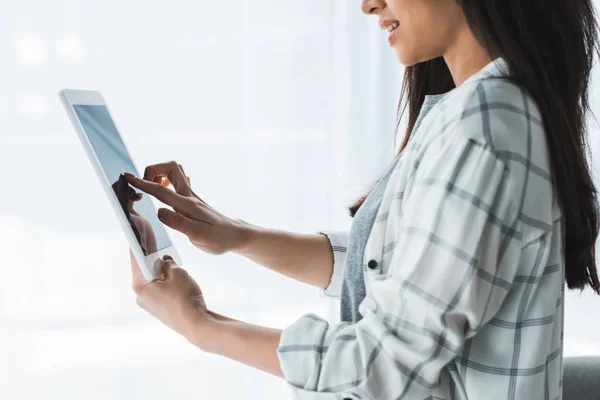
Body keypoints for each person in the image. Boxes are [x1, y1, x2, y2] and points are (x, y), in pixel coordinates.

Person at [123, 0, 600, 397]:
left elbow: (384, 365)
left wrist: (201, 326)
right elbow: (403, 271)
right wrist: (235, 235)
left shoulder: (485, 127)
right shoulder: (480, 109)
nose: (368, 4)